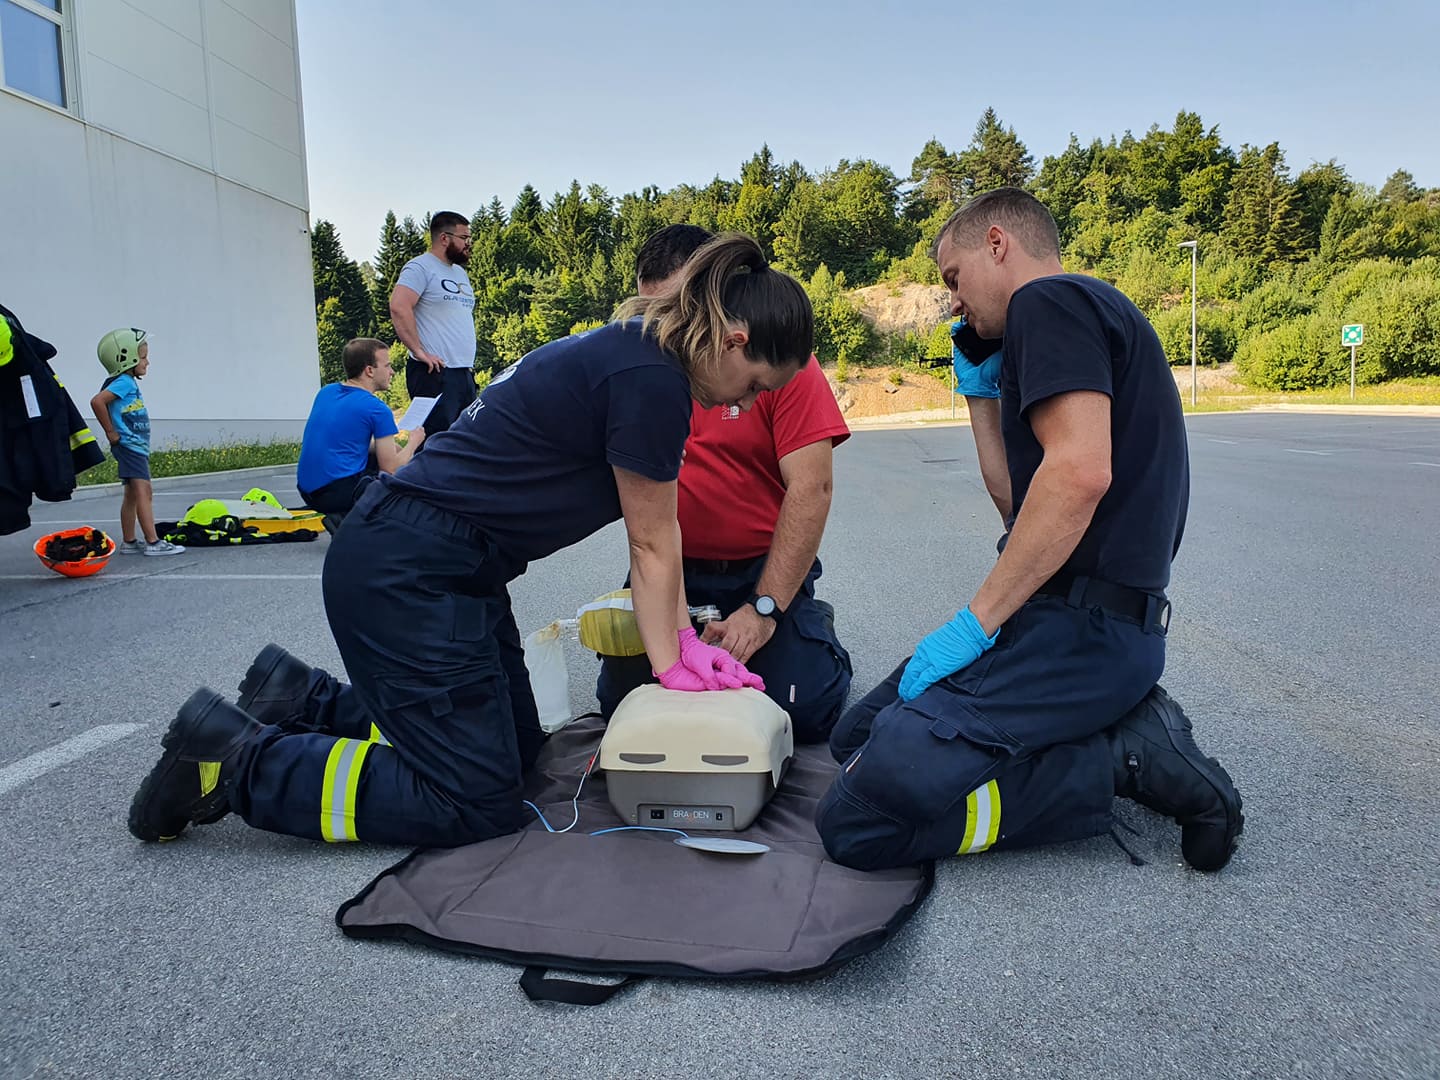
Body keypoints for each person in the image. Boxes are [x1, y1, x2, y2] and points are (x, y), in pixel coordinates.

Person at [127, 234, 814, 848]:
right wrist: (673, 669)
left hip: (445, 564)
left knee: (517, 757)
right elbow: (654, 545)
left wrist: (684, 644)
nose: (746, 405)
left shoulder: (632, 350)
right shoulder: (652, 379)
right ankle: (233, 759)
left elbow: (662, 537)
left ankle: (299, 699)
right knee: (475, 800)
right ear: (734, 339)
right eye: (757, 386)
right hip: (409, 570)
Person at [815, 188, 1244, 874]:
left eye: (953, 277)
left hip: (1081, 636)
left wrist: (975, 623)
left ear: (997, 243)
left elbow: (1078, 474)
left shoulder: (1050, 301)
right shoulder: (1073, 316)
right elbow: (1021, 507)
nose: (953, 301)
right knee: (855, 739)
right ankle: (1097, 724)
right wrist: (980, 394)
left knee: (856, 820)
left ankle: (1119, 757)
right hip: (1064, 624)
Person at [596, 225, 853, 743]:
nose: (662, 333)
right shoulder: (642, 370)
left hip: (760, 570)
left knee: (800, 704)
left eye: (673, 312)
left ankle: (806, 622)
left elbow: (811, 490)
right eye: (649, 316)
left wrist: (763, 611)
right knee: (625, 702)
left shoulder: (774, 361)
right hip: (671, 564)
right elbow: (647, 531)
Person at [296, 337, 425, 519]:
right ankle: (354, 521)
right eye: (387, 366)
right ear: (369, 370)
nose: (392, 372)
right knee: (400, 483)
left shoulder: (327, 392)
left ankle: (340, 515)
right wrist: (413, 442)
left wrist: (390, 449)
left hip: (309, 492)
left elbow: (344, 440)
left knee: (378, 457)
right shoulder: (377, 409)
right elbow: (390, 469)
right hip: (337, 494)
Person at [88, 328, 185, 557]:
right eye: (142, 357)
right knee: (144, 491)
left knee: (132, 494)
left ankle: (129, 542)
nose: (147, 362)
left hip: (134, 446)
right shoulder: (123, 382)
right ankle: (152, 542)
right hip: (130, 446)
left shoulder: (125, 381)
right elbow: (97, 402)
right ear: (125, 358)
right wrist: (110, 432)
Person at [388, 211, 478, 436]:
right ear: (444, 238)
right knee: (436, 441)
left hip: (463, 372)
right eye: (464, 238)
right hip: (435, 372)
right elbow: (399, 306)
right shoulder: (420, 267)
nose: (468, 243)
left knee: (467, 439)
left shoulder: (460, 273)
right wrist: (419, 351)